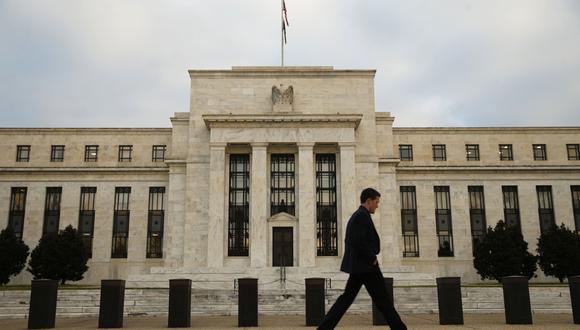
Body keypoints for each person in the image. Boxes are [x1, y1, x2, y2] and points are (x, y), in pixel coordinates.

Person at [317, 188, 407, 330]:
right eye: (376, 202)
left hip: (359, 266)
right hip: (366, 266)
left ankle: (324, 328)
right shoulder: (361, 216)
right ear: (369, 201)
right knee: (383, 299)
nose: (377, 205)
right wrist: (372, 258)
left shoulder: (359, 215)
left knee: (346, 299)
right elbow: (357, 240)